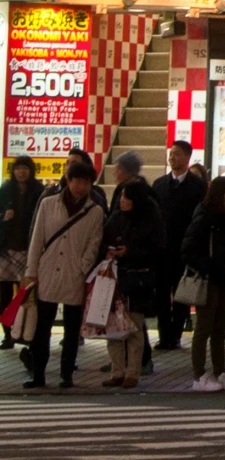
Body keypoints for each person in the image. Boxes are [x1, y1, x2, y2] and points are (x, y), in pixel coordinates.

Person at [21, 157, 104, 390]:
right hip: (47, 269)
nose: (81, 186)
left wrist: (82, 266)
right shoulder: (48, 204)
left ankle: (67, 374)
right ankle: (38, 374)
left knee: (71, 328)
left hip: (74, 273)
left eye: (86, 182)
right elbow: (36, 238)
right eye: (77, 180)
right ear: (68, 180)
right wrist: (31, 270)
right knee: (42, 326)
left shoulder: (95, 211)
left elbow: (94, 242)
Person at [97, 163, 163, 391]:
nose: (122, 200)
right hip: (115, 276)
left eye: (126, 197)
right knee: (113, 327)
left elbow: (156, 248)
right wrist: (109, 250)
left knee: (134, 326)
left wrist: (130, 251)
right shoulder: (116, 218)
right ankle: (117, 370)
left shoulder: (150, 218)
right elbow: (103, 239)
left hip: (137, 278)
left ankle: (132, 372)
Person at [181, 175, 225, 391]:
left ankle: (220, 371)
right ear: (222, 192)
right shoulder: (206, 217)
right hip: (210, 279)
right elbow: (188, 248)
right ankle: (199, 374)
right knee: (204, 327)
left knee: (219, 327)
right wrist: (207, 267)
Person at [152, 142, 202, 354]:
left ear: (188, 157)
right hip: (162, 250)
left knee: (181, 294)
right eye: (171, 154)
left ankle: (176, 335)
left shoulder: (198, 186)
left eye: (178, 154)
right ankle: (164, 336)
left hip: (185, 250)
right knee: (162, 294)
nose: (173, 158)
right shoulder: (159, 184)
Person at [0, 155, 41, 349]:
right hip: (6, 249)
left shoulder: (39, 191)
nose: (21, 172)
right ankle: (8, 334)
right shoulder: (5, 190)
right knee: (4, 293)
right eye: (18, 168)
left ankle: (26, 333)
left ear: (31, 170)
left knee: (28, 294)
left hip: (29, 249)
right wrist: (3, 217)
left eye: (25, 168)